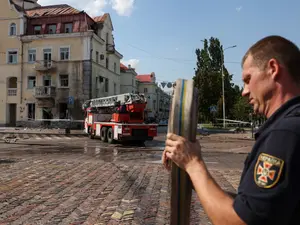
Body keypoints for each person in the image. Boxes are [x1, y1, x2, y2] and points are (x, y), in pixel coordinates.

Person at [162, 35, 300, 225]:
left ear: (273, 69)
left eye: (248, 79)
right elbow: (254, 207)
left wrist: (193, 163)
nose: (244, 91)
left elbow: (241, 221)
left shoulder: (284, 133)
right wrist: (191, 175)